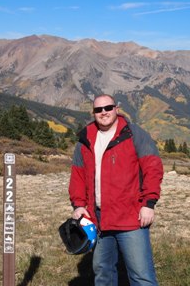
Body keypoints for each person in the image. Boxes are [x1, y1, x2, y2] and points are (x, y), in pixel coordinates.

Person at [68, 94, 164, 285]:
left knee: (141, 275)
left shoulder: (134, 134)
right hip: (99, 219)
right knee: (103, 273)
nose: (103, 112)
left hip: (131, 217)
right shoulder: (85, 140)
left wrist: (149, 203)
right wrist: (78, 205)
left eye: (108, 108)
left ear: (116, 109)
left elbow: (153, 169)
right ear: (93, 113)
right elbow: (77, 177)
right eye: (98, 110)